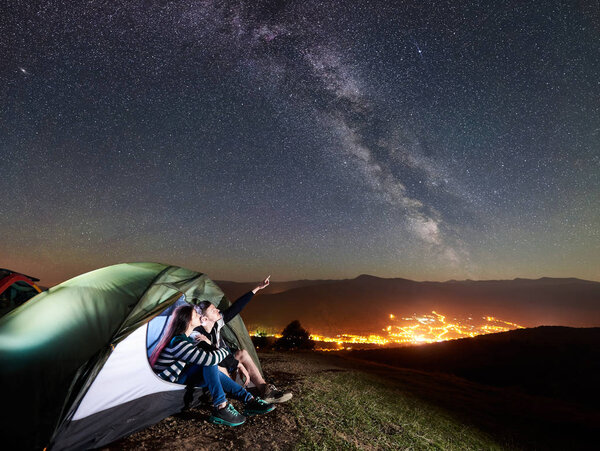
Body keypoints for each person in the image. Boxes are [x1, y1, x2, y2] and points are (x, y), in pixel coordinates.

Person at [150, 304, 275, 426]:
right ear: (187, 320)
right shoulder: (178, 342)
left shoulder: (185, 339)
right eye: (195, 314)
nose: (199, 315)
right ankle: (221, 406)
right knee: (209, 362)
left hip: (179, 379)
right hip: (168, 386)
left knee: (208, 363)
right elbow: (209, 359)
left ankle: (249, 401)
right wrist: (224, 350)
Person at [193, 276, 293, 404]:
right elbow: (212, 357)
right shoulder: (197, 334)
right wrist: (237, 364)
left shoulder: (217, 323)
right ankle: (240, 398)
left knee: (242, 353)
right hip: (211, 367)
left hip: (223, 359)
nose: (218, 310)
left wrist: (257, 288)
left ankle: (265, 389)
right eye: (213, 310)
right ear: (204, 319)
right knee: (218, 366)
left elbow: (235, 308)